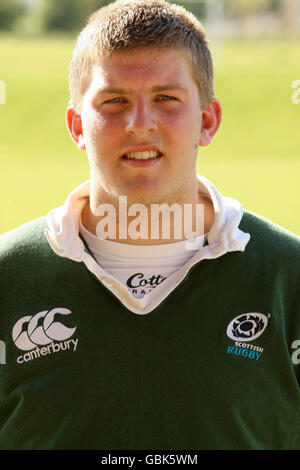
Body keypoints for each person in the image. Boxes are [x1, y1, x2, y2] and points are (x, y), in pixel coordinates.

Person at [0, 0, 300, 451]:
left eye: (166, 98)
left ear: (208, 120)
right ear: (78, 125)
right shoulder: (9, 277)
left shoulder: (288, 277)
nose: (140, 124)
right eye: (114, 101)